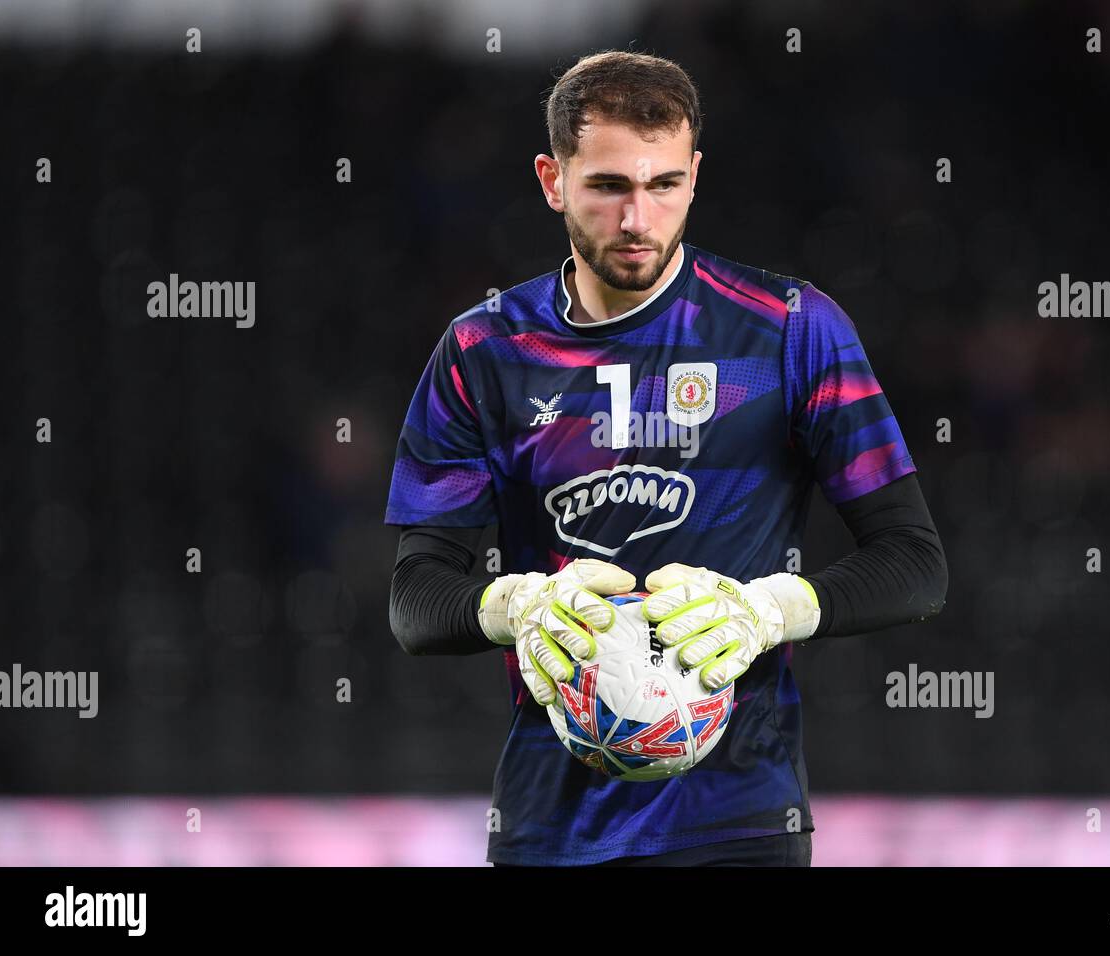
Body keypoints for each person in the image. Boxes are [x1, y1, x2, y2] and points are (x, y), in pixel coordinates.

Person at [385, 50, 948, 867]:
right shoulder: (485, 350)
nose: (638, 220)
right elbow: (414, 596)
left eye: (664, 186)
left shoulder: (792, 329)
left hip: (741, 823)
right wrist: (516, 608)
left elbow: (915, 562)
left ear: (695, 175)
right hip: (549, 829)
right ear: (552, 179)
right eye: (608, 186)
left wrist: (767, 612)